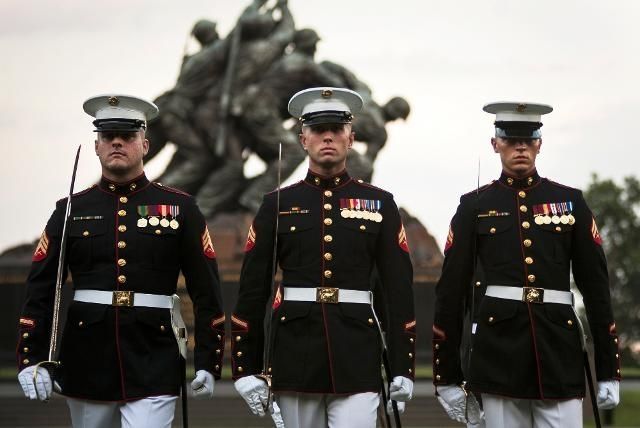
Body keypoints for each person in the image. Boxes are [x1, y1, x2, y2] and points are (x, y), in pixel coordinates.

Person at [16, 94, 226, 428]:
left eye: (127, 135)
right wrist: (31, 357)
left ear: (145, 145)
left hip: (154, 355)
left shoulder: (180, 208)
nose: (117, 142)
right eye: (107, 136)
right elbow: (40, 288)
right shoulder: (71, 209)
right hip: (87, 357)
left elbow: (207, 290)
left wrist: (208, 360)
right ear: (96, 146)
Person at [231, 87, 416, 427]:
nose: (327, 137)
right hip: (294, 353)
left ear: (351, 138)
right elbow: (253, 291)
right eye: (317, 129)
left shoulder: (379, 203)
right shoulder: (277, 204)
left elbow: (397, 290)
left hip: (357, 354)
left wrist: (403, 367)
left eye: (336, 129)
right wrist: (246, 368)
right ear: (303, 139)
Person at [432, 101, 621, 427]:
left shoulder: (570, 202)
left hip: (558, 351)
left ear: (539, 144)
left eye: (528, 139)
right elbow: (451, 292)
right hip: (498, 352)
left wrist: (609, 369)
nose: (520, 147)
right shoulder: (474, 205)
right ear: (495, 144)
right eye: (510, 139)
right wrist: (446, 376)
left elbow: (596, 289)